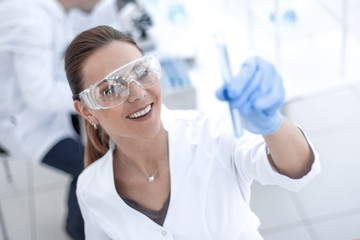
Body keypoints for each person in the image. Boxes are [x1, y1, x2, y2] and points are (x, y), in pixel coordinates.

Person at [64, 25, 320, 239]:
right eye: (110, 89)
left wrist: (272, 124)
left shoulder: (213, 131)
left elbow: (296, 171)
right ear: (86, 111)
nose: (139, 94)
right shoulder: (90, 190)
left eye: (141, 72)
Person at [0, 0, 124, 239]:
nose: (102, 3)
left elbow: (82, 29)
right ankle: (76, 230)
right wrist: (98, 94)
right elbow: (40, 96)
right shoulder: (31, 22)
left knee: (100, 138)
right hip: (19, 123)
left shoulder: (51, 10)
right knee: (90, 168)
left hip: (38, 110)